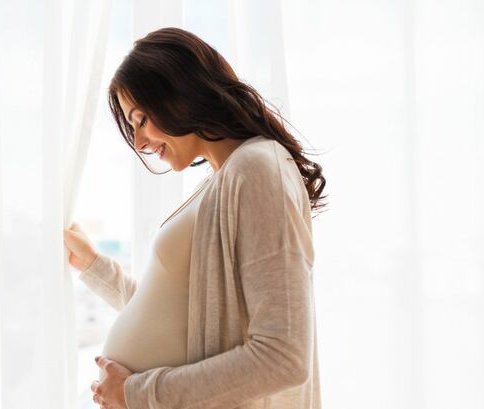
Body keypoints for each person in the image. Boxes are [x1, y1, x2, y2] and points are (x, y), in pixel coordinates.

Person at [63, 27, 326, 409]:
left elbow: (283, 357)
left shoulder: (258, 168)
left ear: (179, 95)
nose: (139, 143)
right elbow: (184, 318)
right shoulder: (224, 179)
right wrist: (95, 267)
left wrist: (136, 392)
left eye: (140, 119)